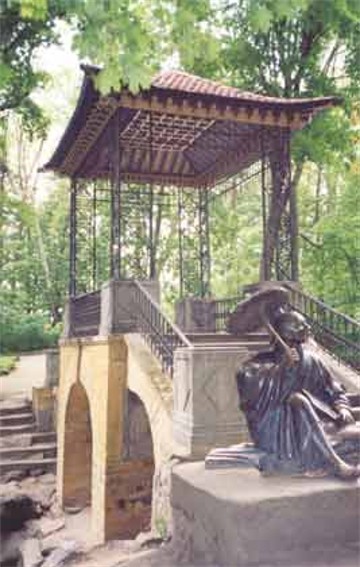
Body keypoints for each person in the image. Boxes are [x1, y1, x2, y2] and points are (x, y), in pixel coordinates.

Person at [236, 309, 360, 479]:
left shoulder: (313, 361)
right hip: (277, 432)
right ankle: (335, 464)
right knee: (297, 400)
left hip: (322, 424)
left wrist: (343, 408)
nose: (306, 327)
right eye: (300, 325)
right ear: (286, 333)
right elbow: (253, 402)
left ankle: (337, 455)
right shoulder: (254, 366)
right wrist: (281, 369)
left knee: (354, 436)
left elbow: (334, 389)